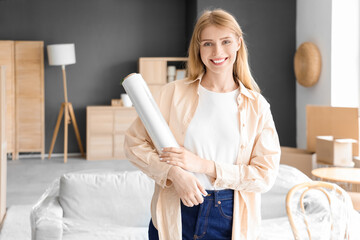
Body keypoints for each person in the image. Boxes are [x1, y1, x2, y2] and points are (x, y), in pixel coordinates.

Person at [124, 8, 281, 240]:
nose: (217, 52)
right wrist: (174, 173)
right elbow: (134, 144)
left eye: (225, 41)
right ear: (198, 48)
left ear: (238, 42)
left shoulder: (257, 106)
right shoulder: (172, 93)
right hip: (177, 210)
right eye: (208, 43)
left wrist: (203, 165)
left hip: (230, 216)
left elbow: (265, 175)